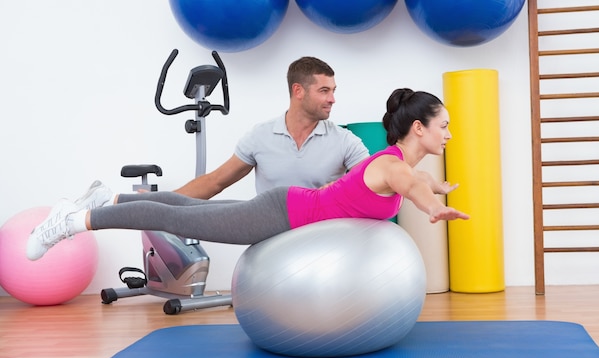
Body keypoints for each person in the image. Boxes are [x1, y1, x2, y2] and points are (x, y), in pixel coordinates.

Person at [26, 89, 470, 261]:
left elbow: (418, 181)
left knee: (187, 208)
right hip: (283, 215)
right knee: (179, 221)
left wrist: (437, 186)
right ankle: (72, 221)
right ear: (419, 128)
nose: (449, 133)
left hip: (287, 207)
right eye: (444, 125)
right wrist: (434, 207)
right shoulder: (394, 167)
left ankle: (108, 199)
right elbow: (410, 187)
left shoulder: (397, 163)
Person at [173, 56, 369, 198]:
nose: (332, 99)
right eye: (324, 91)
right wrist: (158, 204)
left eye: (333, 91)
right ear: (298, 91)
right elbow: (215, 182)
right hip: (273, 243)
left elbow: (373, 181)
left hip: (323, 240)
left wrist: (337, 188)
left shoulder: (345, 140)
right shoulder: (260, 137)